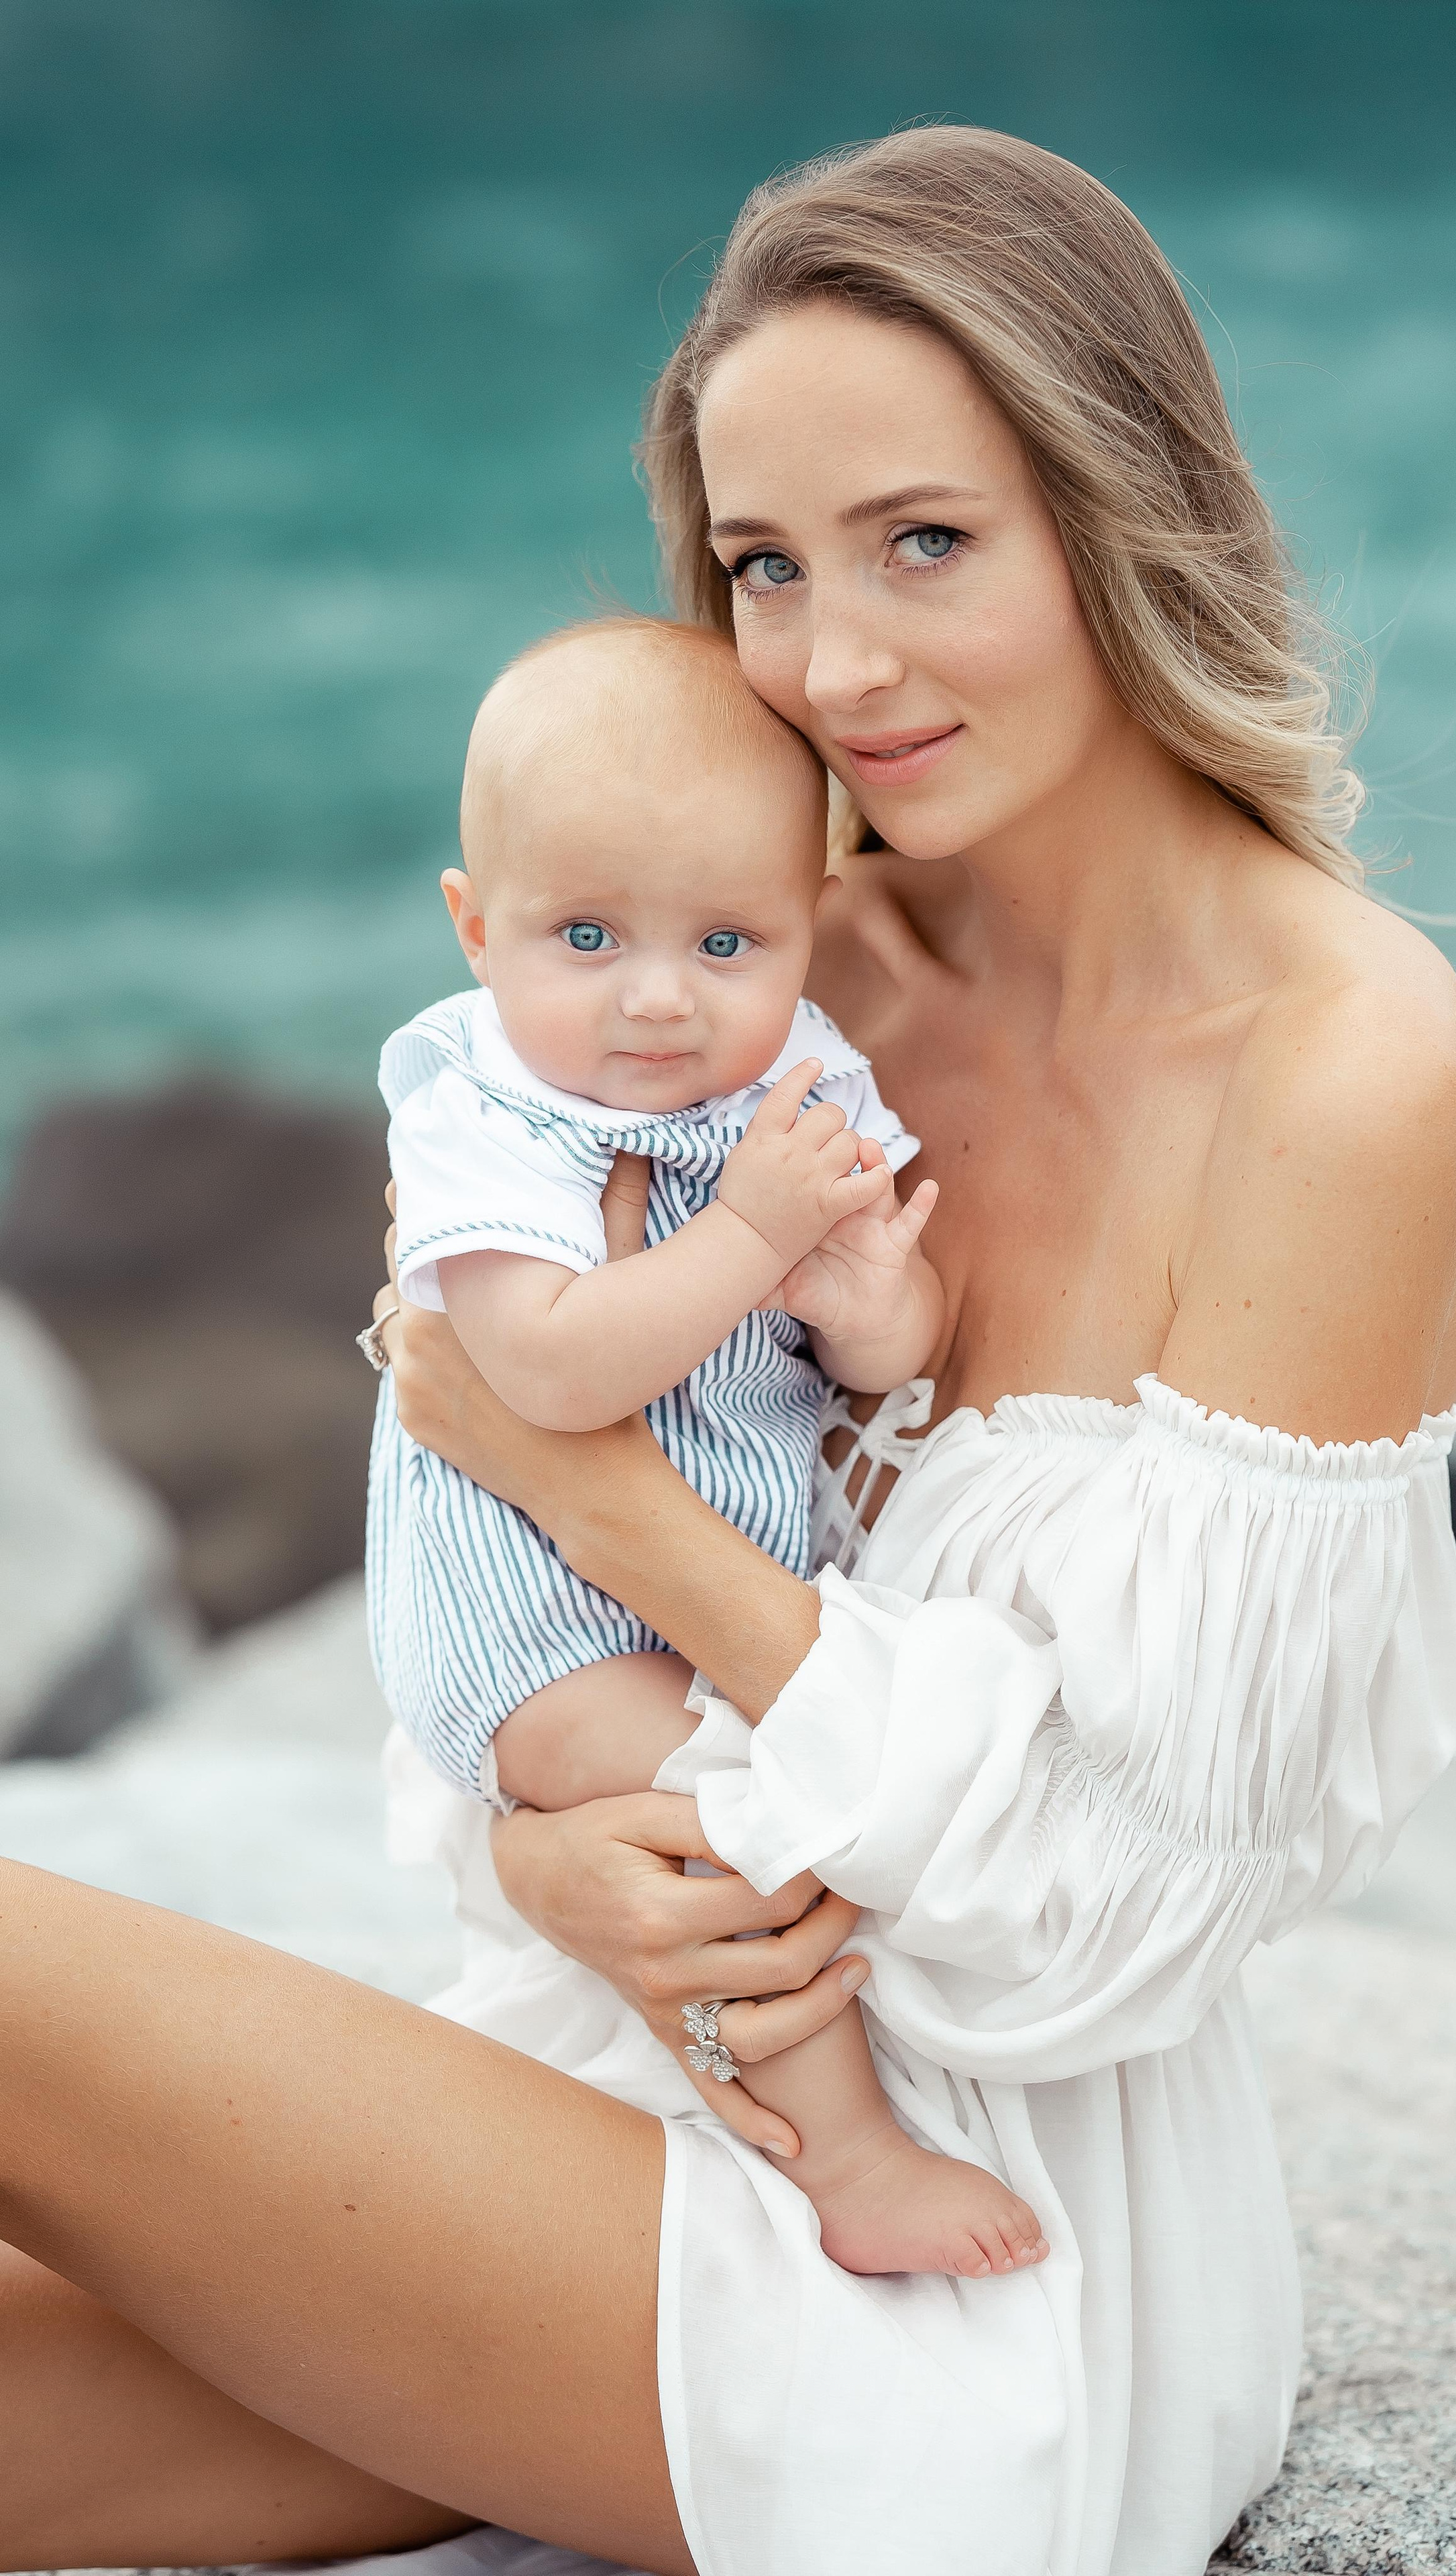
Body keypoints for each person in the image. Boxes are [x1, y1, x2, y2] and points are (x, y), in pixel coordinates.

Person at [0, 127, 1456, 2576]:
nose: (831, 665)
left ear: (1120, 509)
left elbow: (1124, 1909)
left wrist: (607, 1497)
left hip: (967, 2300)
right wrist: (531, 1848)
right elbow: (476, 1548)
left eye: (929, 543)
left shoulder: (1345, 1070)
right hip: (609, 2089)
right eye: (767, 569)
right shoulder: (761, 989)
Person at [369, 612, 1046, 2279]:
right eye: (585, 936)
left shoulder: (791, 1073)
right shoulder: (487, 1108)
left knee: (754, 1789)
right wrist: (748, 1237)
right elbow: (536, 1373)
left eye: (726, 943)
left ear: (806, 925)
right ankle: (845, 2157)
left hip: (698, 1577)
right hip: (535, 1622)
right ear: (476, 927)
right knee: (714, 1814)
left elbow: (888, 1352)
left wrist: (871, 1290)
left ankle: (723, 2109)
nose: (660, 1002)